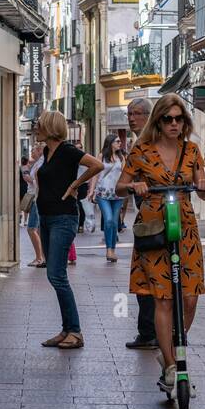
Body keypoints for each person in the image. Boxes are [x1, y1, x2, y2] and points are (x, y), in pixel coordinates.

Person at [121, 95, 205, 393]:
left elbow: (204, 193)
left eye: (179, 119)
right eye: (168, 119)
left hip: (185, 227)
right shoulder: (142, 151)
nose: (174, 124)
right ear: (158, 121)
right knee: (162, 298)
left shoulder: (192, 151)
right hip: (154, 228)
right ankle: (173, 366)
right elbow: (120, 186)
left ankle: (170, 346)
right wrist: (134, 184)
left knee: (189, 297)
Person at [34, 109, 103, 348]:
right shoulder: (46, 151)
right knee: (54, 275)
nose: (35, 128)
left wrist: (76, 184)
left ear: (50, 127)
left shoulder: (68, 150)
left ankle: (75, 331)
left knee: (57, 275)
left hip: (64, 218)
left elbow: (97, 165)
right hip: (46, 217)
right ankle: (66, 330)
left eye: (39, 124)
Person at [123, 98, 157, 349]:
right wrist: (133, 185)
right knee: (144, 276)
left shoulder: (155, 143)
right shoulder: (137, 148)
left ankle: (154, 331)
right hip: (145, 219)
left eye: (136, 113)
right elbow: (121, 185)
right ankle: (147, 331)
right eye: (129, 114)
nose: (131, 118)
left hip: (165, 217)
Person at [91, 134, 127, 264]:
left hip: (117, 195)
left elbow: (124, 175)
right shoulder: (101, 156)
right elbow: (95, 174)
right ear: (110, 142)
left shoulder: (121, 157)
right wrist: (91, 191)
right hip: (103, 194)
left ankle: (112, 249)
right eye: (117, 141)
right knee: (109, 220)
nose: (119, 143)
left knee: (114, 223)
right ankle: (108, 250)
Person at [23, 143, 46, 268]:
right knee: (37, 229)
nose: (31, 153)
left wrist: (30, 180)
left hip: (37, 199)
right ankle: (41, 256)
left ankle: (39, 257)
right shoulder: (38, 163)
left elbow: (39, 182)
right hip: (36, 198)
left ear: (39, 151)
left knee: (32, 228)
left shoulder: (41, 163)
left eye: (33, 150)